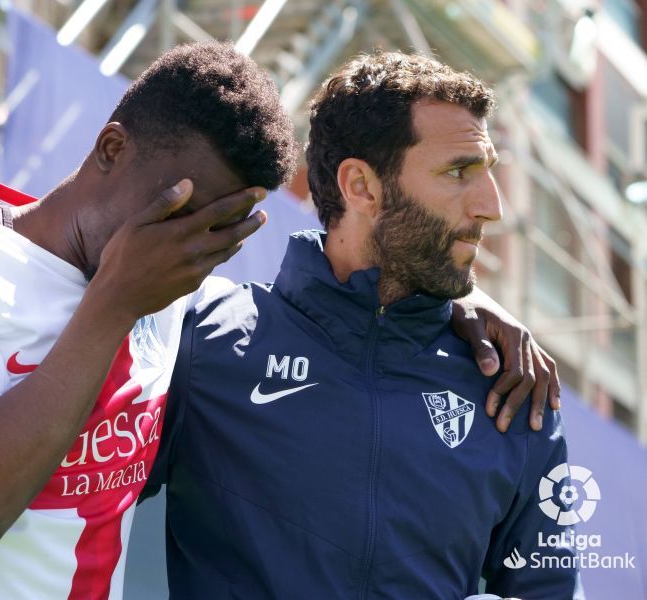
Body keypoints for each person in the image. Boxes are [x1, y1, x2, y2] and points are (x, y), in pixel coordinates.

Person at [0, 47, 562, 598]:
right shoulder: (194, 330)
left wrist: (463, 302)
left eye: (219, 231)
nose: (186, 249)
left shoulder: (513, 388)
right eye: (461, 173)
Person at [0, 41, 298, 599]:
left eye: (216, 231)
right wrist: (114, 304)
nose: (181, 247)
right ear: (111, 148)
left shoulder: (173, 306)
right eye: (179, 213)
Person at [143, 52, 581, 598]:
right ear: (362, 187)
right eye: (458, 171)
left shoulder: (514, 391)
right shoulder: (200, 340)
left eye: (490, 169)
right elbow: (71, 519)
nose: (492, 206)